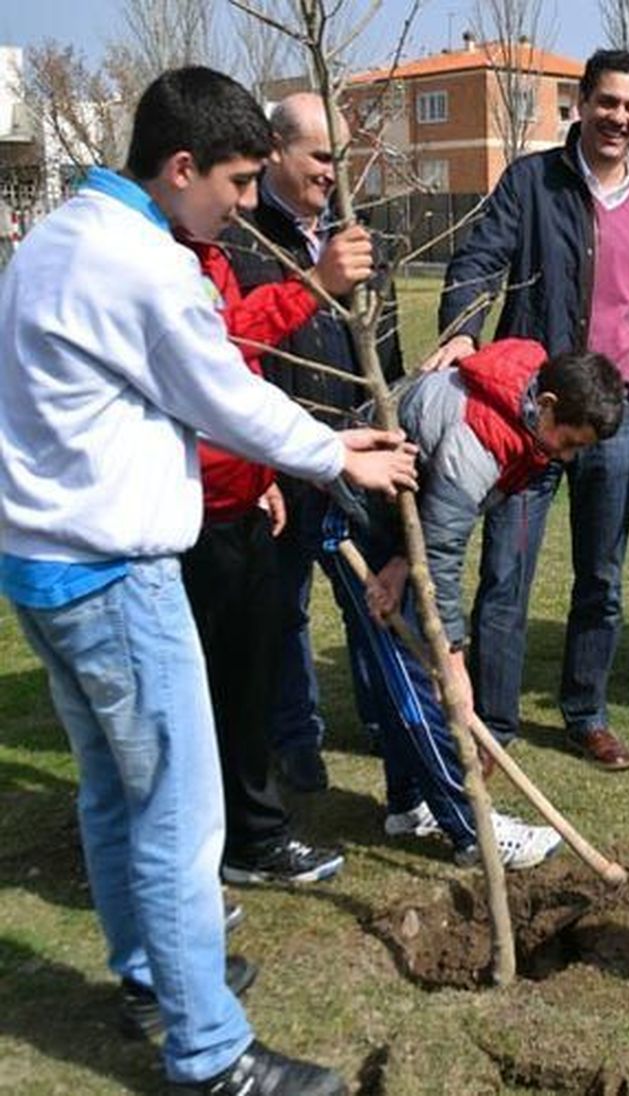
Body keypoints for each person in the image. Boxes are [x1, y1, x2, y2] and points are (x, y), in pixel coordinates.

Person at [0, 67, 416, 1096]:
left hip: (44, 565)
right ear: (181, 166)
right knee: (181, 819)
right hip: (116, 578)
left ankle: (153, 977)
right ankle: (209, 1054)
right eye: (235, 182)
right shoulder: (146, 265)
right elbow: (222, 391)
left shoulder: (55, 238)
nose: (243, 203)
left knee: (115, 792)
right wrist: (334, 454)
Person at [427, 49, 629, 771]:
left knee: (602, 577)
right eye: (607, 101)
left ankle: (586, 713)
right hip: (536, 416)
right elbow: (479, 259)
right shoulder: (532, 183)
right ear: (580, 104)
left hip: (617, 421)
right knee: (506, 573)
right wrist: (463, 326)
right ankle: (494, 724)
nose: (619, 117)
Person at [336, 341, 623, 868]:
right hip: (349, 507)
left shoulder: (525, 408)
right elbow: (442, 553)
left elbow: (430, 519)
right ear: (548, 403)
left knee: (403, 672)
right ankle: (472, 828)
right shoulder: (481, 436)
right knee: (414, 677)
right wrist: (454, 661)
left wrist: (399, 560)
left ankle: (408, 805)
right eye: (568, 442)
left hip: (391, 519)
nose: (566, 457)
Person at [180, 200, 373, 886]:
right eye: (236, 180)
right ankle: (224, 845)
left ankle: (251, 837)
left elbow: (240, 377)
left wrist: (258, 474)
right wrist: (313, 286)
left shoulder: (210, 253)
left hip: (244, 495)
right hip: (193, 511)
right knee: (208, 687)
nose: (242, 201)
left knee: (246, 677)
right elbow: (216, 363)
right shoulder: (163, 261)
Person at [226, 92, 406, 794]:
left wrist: (387, 427)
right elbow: (237, 351)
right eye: (322, 156)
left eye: (343, 158)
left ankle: (382, 715)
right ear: (276, 150)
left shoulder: (360, 237)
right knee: (282, 607)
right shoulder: (243, 239)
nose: (334, 173)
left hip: (357, 454)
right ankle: (296, 737)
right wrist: (263, 463)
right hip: (281, 457)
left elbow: (382, 350)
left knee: (374, 594)